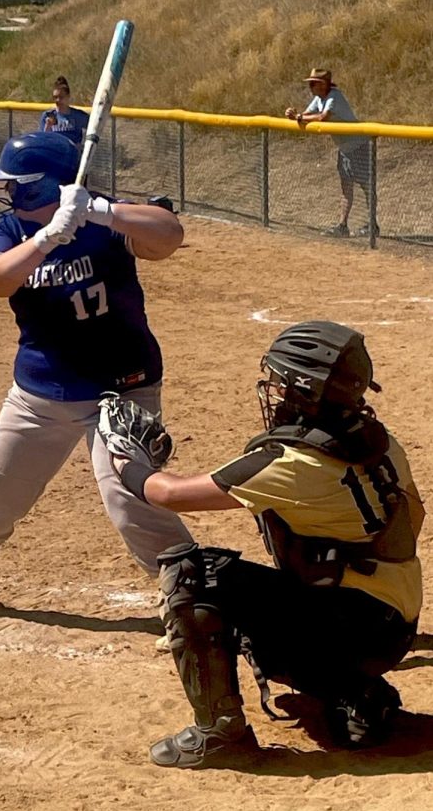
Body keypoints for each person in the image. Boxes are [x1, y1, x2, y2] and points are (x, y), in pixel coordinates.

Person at [97, 321, 424, 769]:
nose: (275, 392)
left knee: (191, 574)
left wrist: (122, 455)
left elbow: (166, 493)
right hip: (393, 623)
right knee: (291, 598)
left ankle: (221, 733)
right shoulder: (380, 443)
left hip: (356, 635)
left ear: (306, 393)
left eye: (284, 384)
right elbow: (415, 517)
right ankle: (357, 690)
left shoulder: (293, 462)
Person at [0, 130, 194, 624]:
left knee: (130, 498)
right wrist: (48, 236)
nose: (7, 194)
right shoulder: (11, 231)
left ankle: (187, 603)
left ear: (43, 186)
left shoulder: (102, 219)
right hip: (41, 391)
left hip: (122, 388)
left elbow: (169, 235)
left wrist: (99, 211)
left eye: (16, 185)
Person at [284, 69, 373, 237]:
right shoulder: (319, 98)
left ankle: (372, 224)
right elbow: (307, 115)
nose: (310, 87)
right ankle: (343, 226)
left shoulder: (334, 96)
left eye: (313, 83)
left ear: (323, 84)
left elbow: (322, 117)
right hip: (345, 148)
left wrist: (299, 118)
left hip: (358, 146)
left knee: (367, 187)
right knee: (346, 188)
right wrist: (294, 115)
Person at [39, 76, 89, 148]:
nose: (58, 100)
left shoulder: (77, 116)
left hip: (72, 155)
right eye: (55, 97)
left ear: (68, 96)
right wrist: (48, 126)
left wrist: (83, 146)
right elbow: (42, 140)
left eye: (61, 97)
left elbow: (93, 127)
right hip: (54, 153)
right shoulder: (48, 116)